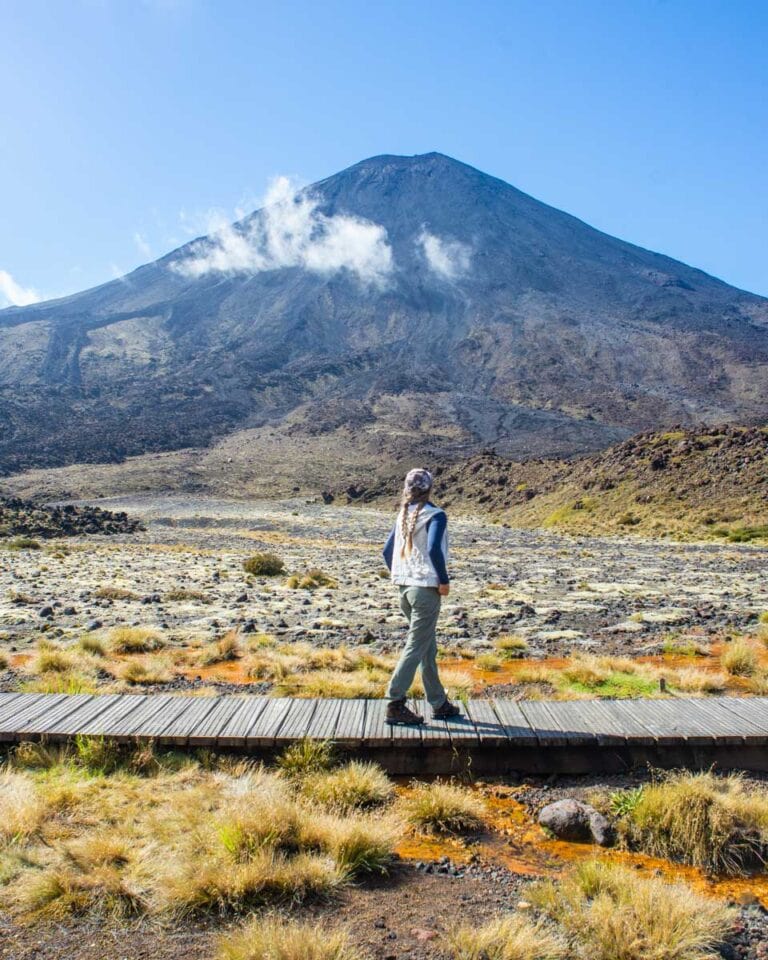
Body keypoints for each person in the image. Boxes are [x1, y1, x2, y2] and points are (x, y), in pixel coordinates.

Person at [382, 467, 462, 725]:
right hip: (425, 590)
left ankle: (438, 702)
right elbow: (434, 551)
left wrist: (402, 574)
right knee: (416, 645)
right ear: (430, 488)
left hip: (404, 589)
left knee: (427, 646)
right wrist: (444, 581)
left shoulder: (402, 515)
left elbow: (386, 551)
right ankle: (394, 702)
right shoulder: (436, 515)